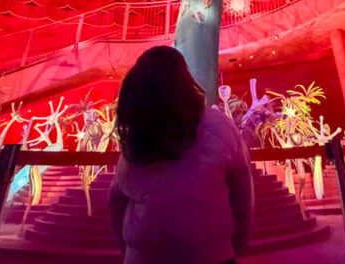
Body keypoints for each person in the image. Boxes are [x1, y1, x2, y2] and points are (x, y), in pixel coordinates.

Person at [109, 46, 254, 264]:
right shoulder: (220, 125)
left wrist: (128, 250)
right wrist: (237, 245)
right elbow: (242, 192)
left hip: (145, 255)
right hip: (212, 254)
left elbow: (116, 201)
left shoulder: (138, 131)